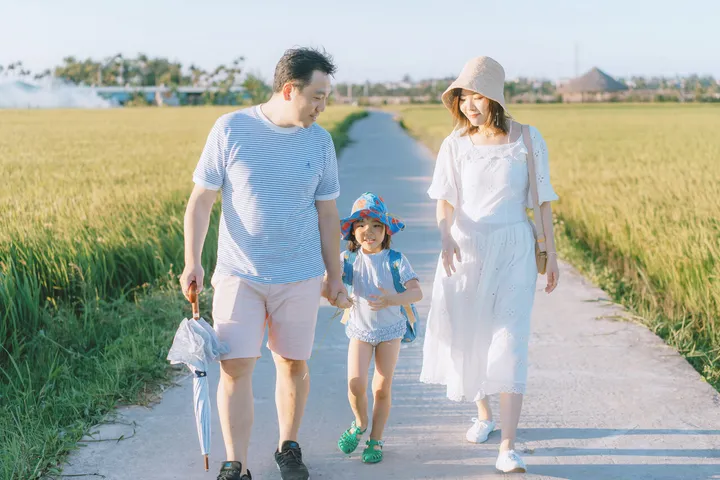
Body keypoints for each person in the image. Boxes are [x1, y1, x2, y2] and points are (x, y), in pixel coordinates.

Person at [179, 47, 346, 480]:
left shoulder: (320, 141)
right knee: (235, 367)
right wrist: (191, 262)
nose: (322, 107)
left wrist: (335, 275)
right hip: (240, 274)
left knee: (292, 363)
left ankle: (287, 446)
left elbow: (328, 214)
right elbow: (201, 202)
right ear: (289, 89)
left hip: (301, 275)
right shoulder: (231, 128)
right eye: (317, 96)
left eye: (327, 97)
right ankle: (236, 463)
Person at [419, 56, 560, 474]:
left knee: (509, 340)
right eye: (463, 97)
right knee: (469, 334)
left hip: (514, 246)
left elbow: (543, 202)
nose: (469, 106)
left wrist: (551, 255)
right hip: (466, 247)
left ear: (495, 97)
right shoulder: (455, 144)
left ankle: (509, 446)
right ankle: (483, 414)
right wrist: (445, 235)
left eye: (477, 96)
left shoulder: (528, 139)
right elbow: (443, 201)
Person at [332, 192, 423, 464]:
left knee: (381, 388)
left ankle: (376, 439)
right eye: (361, 225)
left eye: (376, 225)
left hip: (390, 331)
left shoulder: (395, 260)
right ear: (352, 232)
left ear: (386, 231)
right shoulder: (347, 260)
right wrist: (340, 298)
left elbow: (416, 292)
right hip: (360, 330)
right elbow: (331, 287)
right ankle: (359, 423)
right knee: (356, 384)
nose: (368, 231)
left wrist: (391, 299)